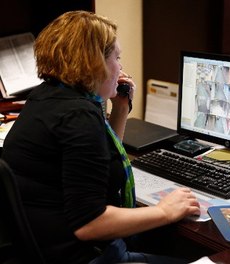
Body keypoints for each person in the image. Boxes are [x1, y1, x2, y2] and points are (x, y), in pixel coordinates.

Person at [1, 10, 200, 264]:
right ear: (94, 62)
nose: (121, 67)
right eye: (116, 57)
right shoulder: (77, 116)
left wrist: (120, 109)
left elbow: (103, 159)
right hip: (84, 255)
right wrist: (164, 211)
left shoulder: (50, 96)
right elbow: (90, 224)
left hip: (52, 247)